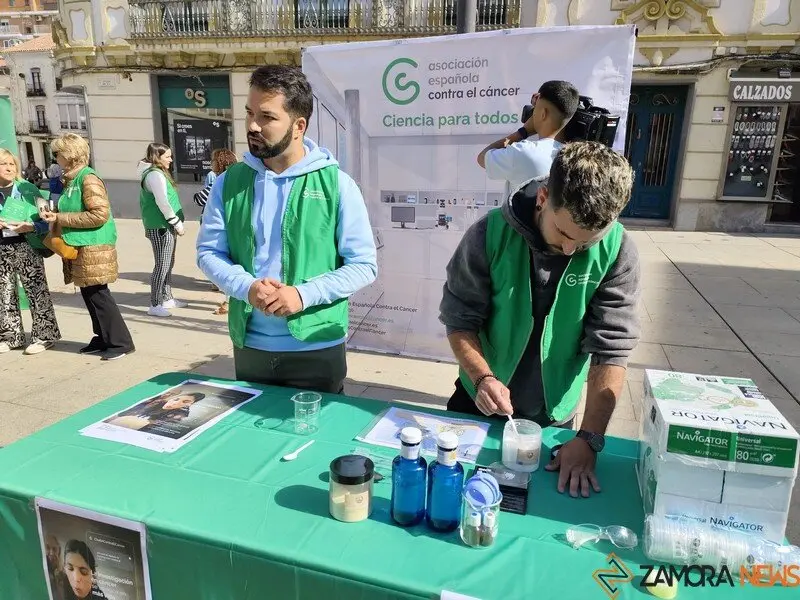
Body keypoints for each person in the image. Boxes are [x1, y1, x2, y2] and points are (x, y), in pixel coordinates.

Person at [439, 141, 641, 498]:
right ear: (544, 196)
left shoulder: (617, 249)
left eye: (585, 243)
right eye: (563, 233)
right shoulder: (489, 234)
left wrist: (590, 438)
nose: (569, 250)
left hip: (555, 414)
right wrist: (482, 376)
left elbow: (612, 349)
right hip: (477, 400)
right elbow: (459, 319)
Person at [197, 65, 377, 393]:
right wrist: (246, 287)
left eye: (267, 116)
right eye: (250, 113)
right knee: (251, 437)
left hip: (317, 345)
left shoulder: (336, 185)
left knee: (318, 438)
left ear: (298, 126)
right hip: (250, 347)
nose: (252, 125)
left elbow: (364, 265)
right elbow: (209, 252)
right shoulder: (229, 183)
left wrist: (302, 295)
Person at [42, 134, 135, 360]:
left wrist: (60, 218)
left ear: (70, 154)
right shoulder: (72, 179)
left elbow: (99, 214)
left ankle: (120, 342)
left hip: (94, 246)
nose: (55, 158)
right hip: (82, 245)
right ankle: (103, 337)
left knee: (98, 294)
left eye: (58, 153)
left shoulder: (88, 178)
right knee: (89, 293)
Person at [0, 148, 61, 355]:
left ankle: (45, 335)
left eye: (11, 164)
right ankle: (11, 336)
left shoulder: (27, 188)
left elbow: (47, 220)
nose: (9, 168)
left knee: (36, 291)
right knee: (4, 293)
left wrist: (31, 226)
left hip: (27, 244)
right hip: (1, 246)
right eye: (3, 164)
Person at [477, 80, 579, 193]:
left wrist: (522, 132)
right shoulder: (576, 159)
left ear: (543, 113)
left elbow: (482, 158)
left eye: (535, 107)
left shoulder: (524, 152)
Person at [137, 143, 187, 318]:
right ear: (157, 158)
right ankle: (155, 303)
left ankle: (167, 297)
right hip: (160, 227)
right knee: (162, 265)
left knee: (168, 263)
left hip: (164, 226)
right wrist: (176, 223)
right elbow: (162, 202)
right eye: (167, 157)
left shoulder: (156, 174)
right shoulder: (154, 176)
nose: (171, 160)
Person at [194, 148, 237, 315]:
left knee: (225, 260)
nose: (210, 163)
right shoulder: (235, 179)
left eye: (213, 160)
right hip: (231, 224)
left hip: (221, 225)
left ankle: (229, 300)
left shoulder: (220, 180)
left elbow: (200, 198)